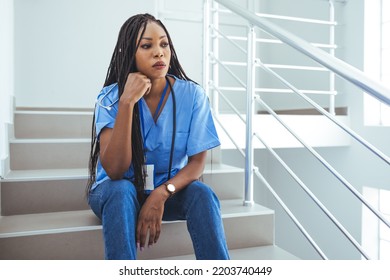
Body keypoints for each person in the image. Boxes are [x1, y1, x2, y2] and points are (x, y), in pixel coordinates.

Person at [86, 13, 230, 260]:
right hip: (116, 192)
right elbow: (115, 171)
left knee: (203, 194)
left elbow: (197, 163)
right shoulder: (110, 98)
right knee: (121, 190)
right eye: (146, 46)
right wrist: (127, 102)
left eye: (164, 44)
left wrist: (162, 193)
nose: (159, 52)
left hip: (167, 189)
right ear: (129, 53)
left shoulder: (192, 96)